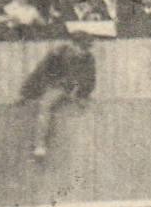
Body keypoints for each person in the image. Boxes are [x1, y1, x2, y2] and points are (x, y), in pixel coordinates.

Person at [18, 32, 95, 162]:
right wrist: (26, 93)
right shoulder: (57, 54)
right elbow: (40, 72)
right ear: (73, 45)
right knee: (45, 105)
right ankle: (40, 145)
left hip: (74, 87)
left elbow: (91, 79)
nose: (84, 51)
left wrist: (81, 94)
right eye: (82, 48)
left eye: (86, 48)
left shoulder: (88, 58)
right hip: (58, 86)